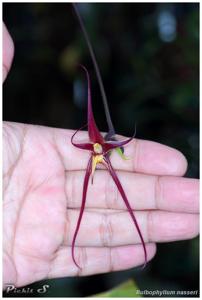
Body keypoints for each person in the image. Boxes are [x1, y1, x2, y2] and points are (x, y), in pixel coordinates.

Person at [3, 22, 199, 288]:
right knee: (83, 200)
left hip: (103, 151)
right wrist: (101, 149)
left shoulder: (99, 149)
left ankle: (139, 242)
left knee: (120, 199)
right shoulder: (96, 149)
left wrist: (104, 148)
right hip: (100, 152)